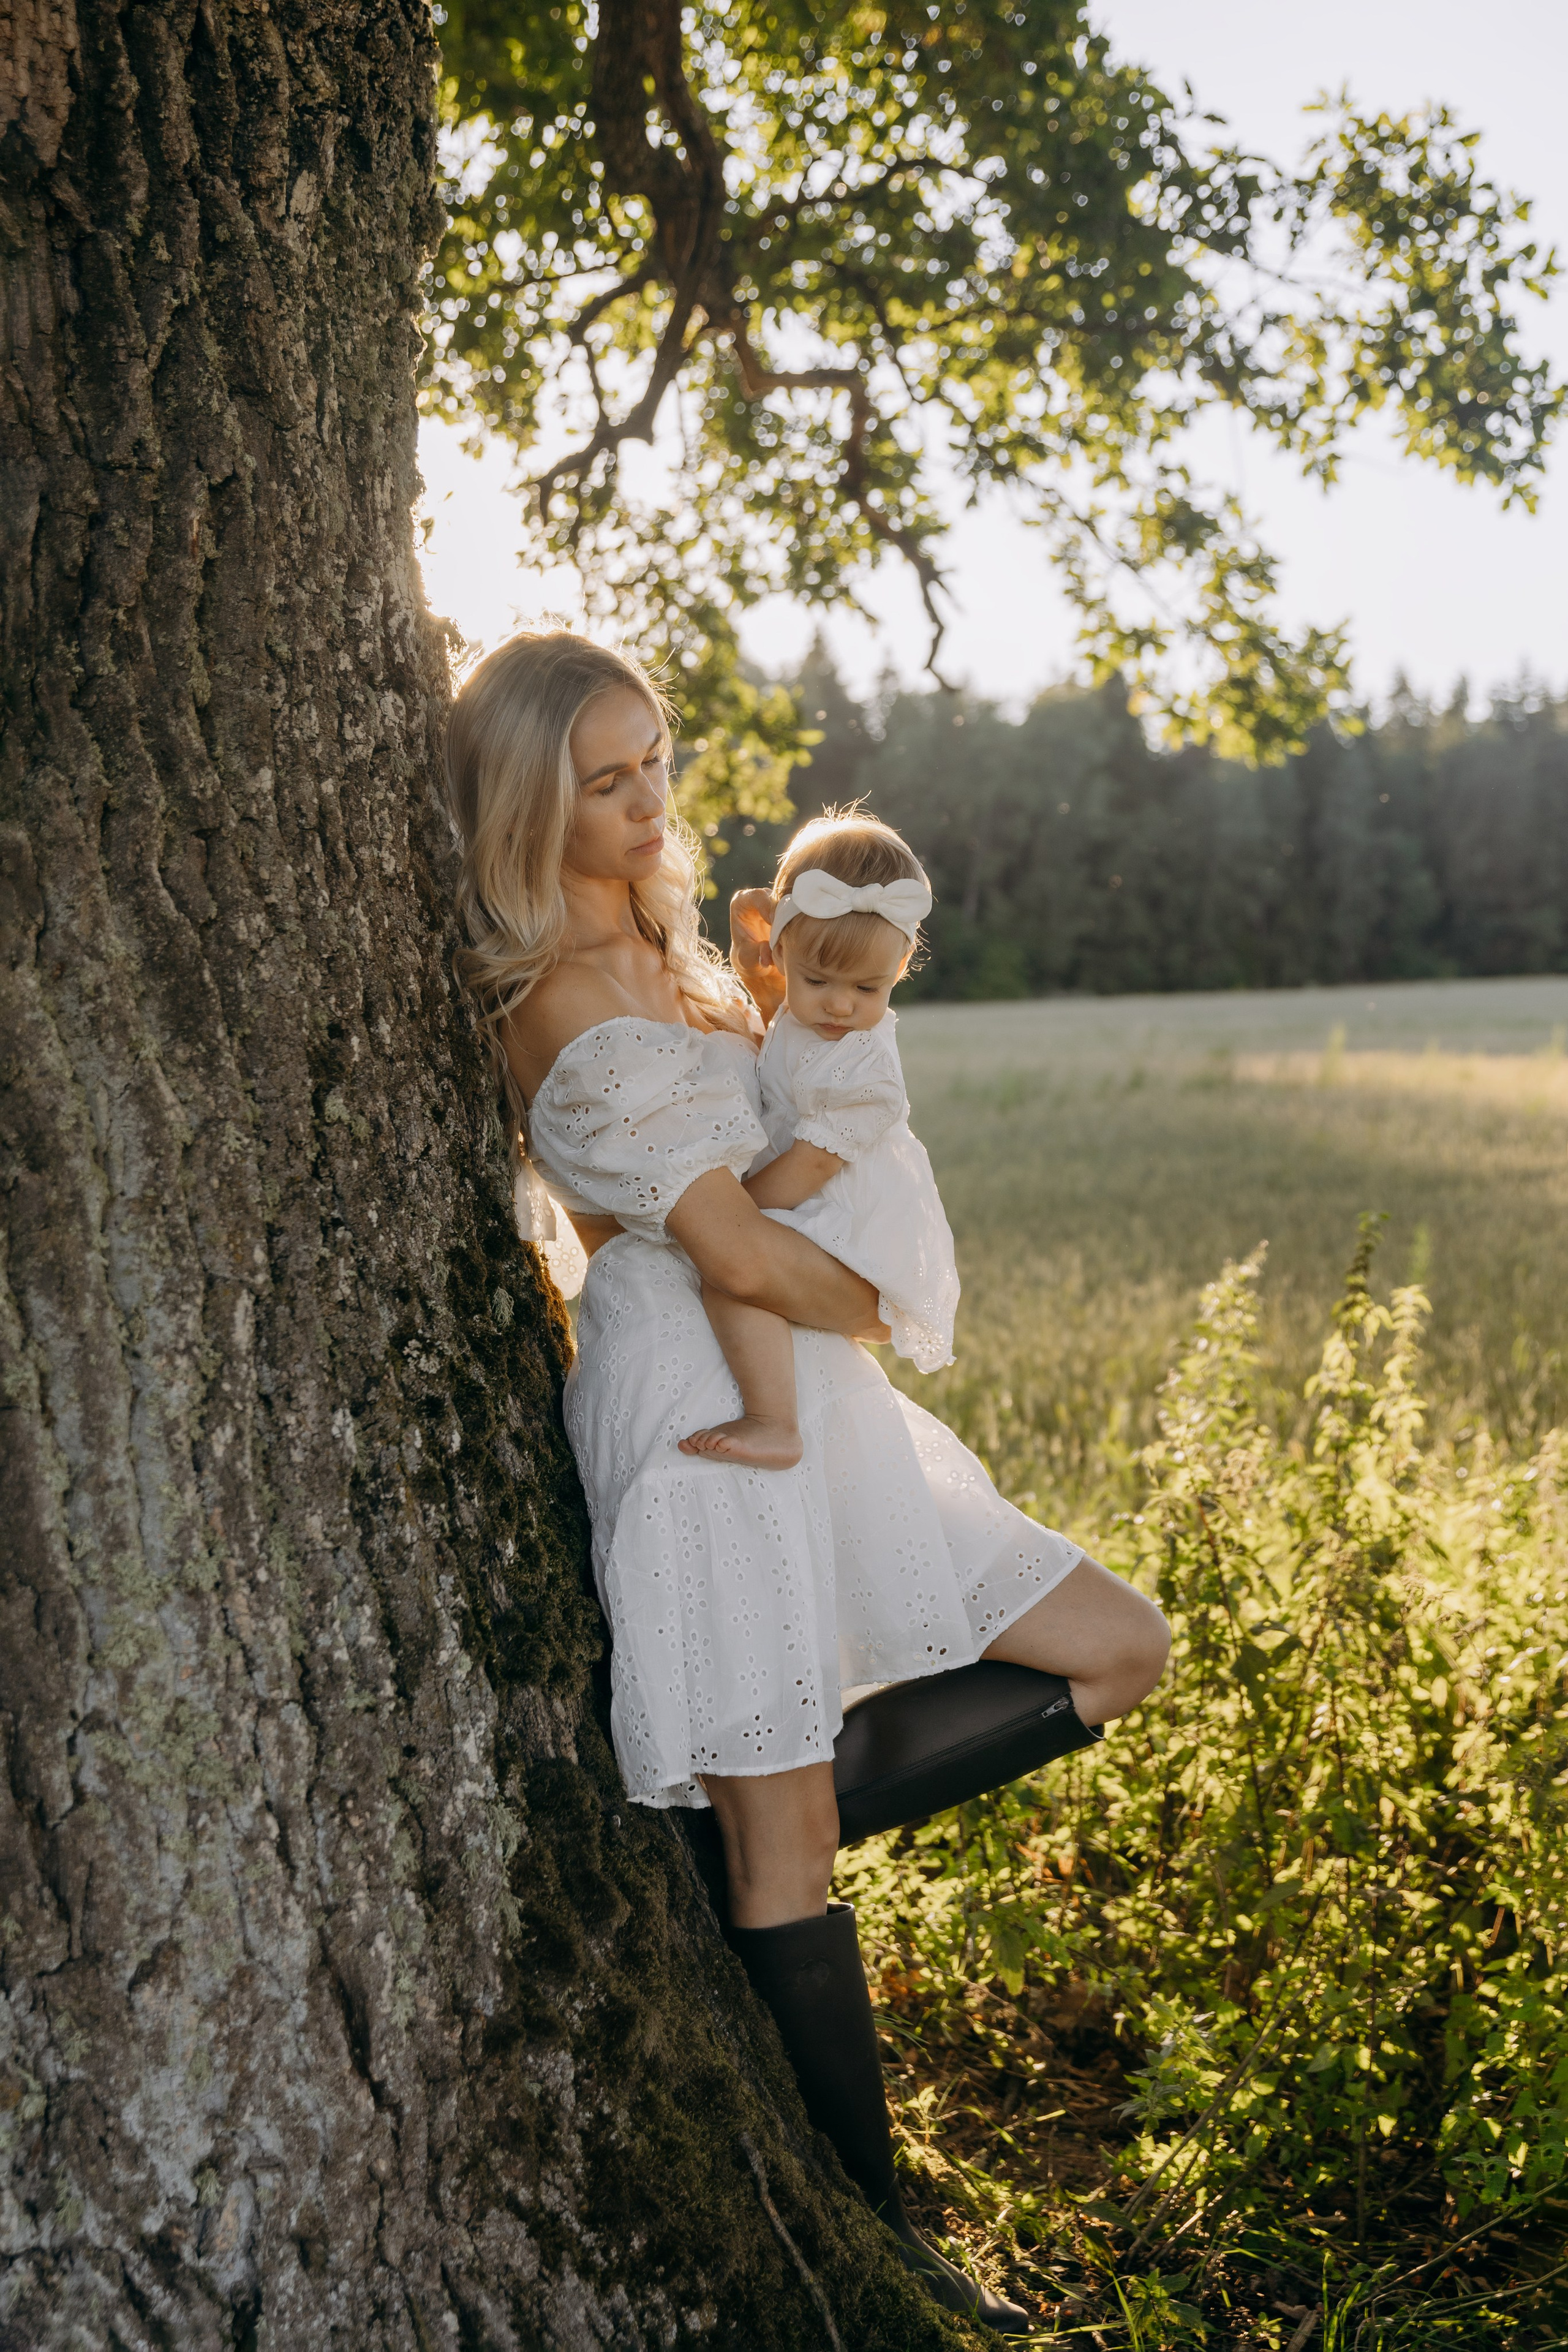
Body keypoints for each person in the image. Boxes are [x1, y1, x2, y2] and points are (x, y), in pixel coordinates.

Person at [443, 628, 1170, 2337]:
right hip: (703, 1404)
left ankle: (734, 1838)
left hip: (807, 1397)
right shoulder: (553, 989)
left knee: (1118, 1647)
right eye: (604, 779)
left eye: (654, 765)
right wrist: (896, 1305)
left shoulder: (672, 941)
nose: (645, 804)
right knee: (794, 1856)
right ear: (530, 798)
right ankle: (885, 2247)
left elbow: (811, 1129)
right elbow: (728, 1254)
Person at [680, 810, 958, 1470]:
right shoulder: (802, 1019)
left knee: (734, 1275)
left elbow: (806, 1170)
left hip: (849, 1221)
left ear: (902, 963)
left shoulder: (867, 1072)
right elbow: (788, 1053)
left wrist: (730, 1214)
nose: (839, 1006)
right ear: (779, 952)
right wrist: (771, 979)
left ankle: (774, 1421)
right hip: (813, 1206)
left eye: (868, 988)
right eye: (817, 981)